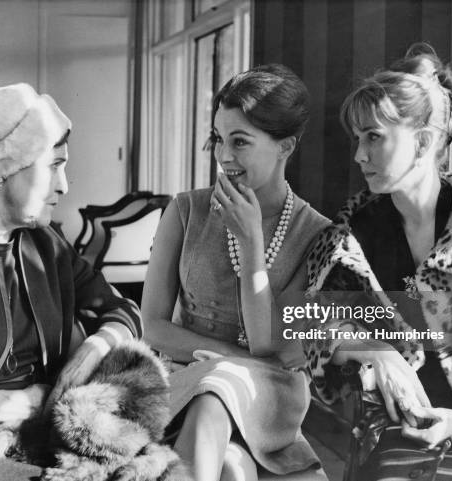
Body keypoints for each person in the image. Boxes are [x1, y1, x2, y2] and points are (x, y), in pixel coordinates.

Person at [303, 43, 452, 480]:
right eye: (358, 138)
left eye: (374, 137)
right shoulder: (350, 238)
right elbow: (307, 326)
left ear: (423, 141)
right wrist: (377, 350)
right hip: (397, 429)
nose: (359, 155)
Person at [0, 83, 142, 480]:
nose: (64, 185)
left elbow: (123, 309)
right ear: (6, 168)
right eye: (54, 165)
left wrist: (94, 346)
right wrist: (27, 403)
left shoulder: (45, 243)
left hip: (40, 435)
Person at [141, 64, 330, 481]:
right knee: (228, 466)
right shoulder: (185, 210)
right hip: (185, 377)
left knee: (216, 393)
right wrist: (227, 361)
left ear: (286, 147)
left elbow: (271, 347)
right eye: (218, 140)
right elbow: (152, 327)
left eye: (240, 142)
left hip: (270, 393)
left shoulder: (318, 235)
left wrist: (251, 246)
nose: (225, 157)